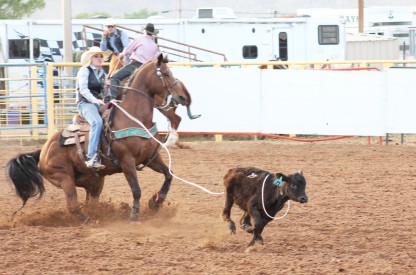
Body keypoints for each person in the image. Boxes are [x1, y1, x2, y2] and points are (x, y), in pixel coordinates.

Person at [76, 46, 112, 169]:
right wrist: (95, 100)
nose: (99, 58)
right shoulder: (84, 71)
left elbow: (106, 93)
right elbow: (83, 90)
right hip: (85, 103)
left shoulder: (102, 73)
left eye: (101, 56)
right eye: (96, 56)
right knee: (97, 122)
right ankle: (91, 157)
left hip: (97, 103)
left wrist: (108, 90)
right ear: (90, 58)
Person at [108, 23, 159, 100]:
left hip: (136, 65)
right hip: (147, 69)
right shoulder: (155, 45)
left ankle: (113, 99)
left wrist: (122, 54)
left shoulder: (140, 39)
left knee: (114, 78)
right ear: (153, 34)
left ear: (145, 31)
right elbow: (155, 58)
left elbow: (128, 50)